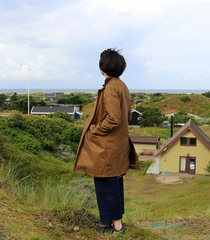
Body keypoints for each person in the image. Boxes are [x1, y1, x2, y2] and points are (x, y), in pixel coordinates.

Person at [74, 48, 139, 234]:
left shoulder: (110, 87)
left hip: (106, 147)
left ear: (103, 67)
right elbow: (127, 117)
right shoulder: (122, 85)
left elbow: (113, 119)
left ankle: (116, 226)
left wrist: (94, 129)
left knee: (106, 184)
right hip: (117, 145)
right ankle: (109, 222)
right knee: (113, 182)